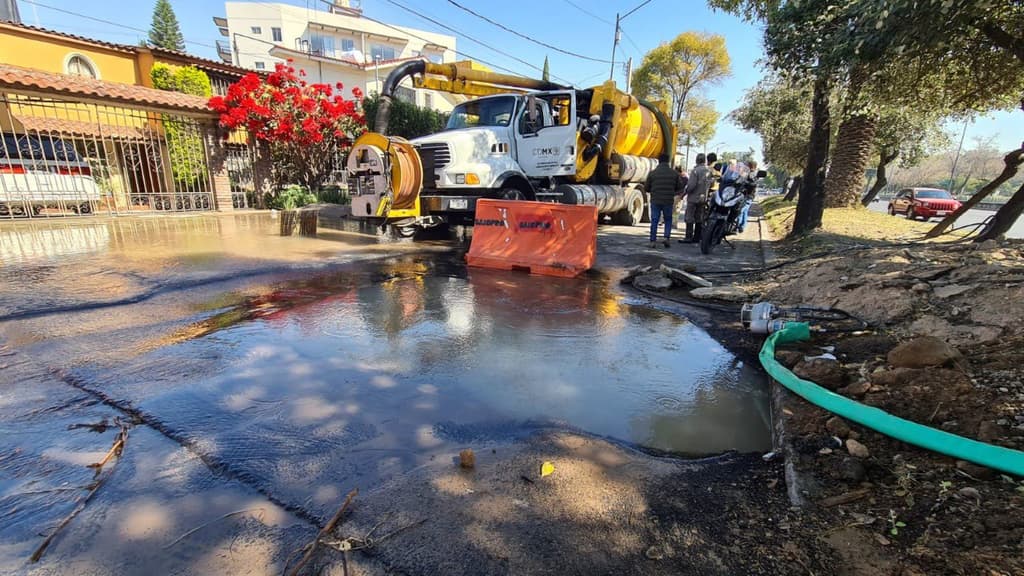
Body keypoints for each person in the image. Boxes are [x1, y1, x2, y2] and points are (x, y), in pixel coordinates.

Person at [644, 155, 683, 248]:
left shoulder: (653, 173)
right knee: (668, 219)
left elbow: (646, 188)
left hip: (655, 200)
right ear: (668, 161)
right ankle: (666, 238)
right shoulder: (674, 173)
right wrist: (673, 192)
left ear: (659, 161)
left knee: (654, 220)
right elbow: (680, 187)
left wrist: (653, 191)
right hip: (668, 200)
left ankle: (652, 241)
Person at [679, 153, 712, 243]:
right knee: (699, 217)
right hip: (703, 197)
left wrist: (684, 193)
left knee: (689, 217)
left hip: (693, 198)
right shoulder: (708, 171)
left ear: (697, 160)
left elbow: (691, 185)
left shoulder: (695, 171)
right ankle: (697, 237)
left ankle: (688, 237)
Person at [736, 160, 758, 233]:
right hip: (742, 194)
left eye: (747, 165)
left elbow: (752, 183)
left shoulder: (752, 174)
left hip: (748, 195)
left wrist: (745, 182)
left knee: (741, 210)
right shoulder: (745, 173)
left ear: (751, 166)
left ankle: (739, 226)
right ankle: (741, 225)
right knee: (744, 210)